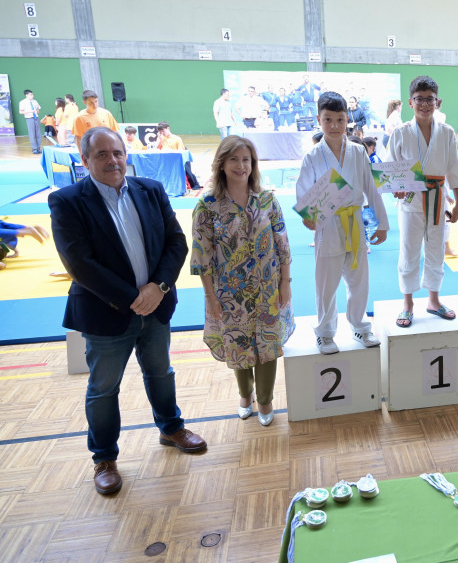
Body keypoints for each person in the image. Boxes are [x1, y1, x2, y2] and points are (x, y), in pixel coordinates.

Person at [48, 126, 206, 495]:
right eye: (101, 154)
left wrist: (158, 287)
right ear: (85, 160)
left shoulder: (150, 190)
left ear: (127, 155)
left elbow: (176, 243)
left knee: (161, 373)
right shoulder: (68, 201)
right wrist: (133, 298)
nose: (112, 160)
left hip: (156, 307)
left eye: (117, 152)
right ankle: (104, 458)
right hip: (105, 313)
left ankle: (171, 428)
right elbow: (78, 263)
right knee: (103, 389)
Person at [191, 136, 294, 426]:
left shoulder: (267, 199)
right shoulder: (208, 206)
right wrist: (210, 297)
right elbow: (202, 256)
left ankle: (265, 400)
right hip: (229, 293)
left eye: (246, 159)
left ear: (254, 164)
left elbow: (282, 243)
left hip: (267, 287)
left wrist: (285, 281)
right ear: (222, 164)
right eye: (234, 159)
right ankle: (244, 394)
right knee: (237, 344)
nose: (241, 165)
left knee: (268, 344)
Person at [296, 92, 389, 354]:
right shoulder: (313, 155)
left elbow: (371, 187)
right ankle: (325, 333)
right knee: (326, 283)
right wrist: (308, 217)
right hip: (327, 225)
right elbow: (303, 191)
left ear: (347, 119)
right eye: (328, 119)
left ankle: (360, 326)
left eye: (339, 119)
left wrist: (382, 223)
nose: (334, 125)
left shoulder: (358, 151)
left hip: (355, 222)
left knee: (359, 280)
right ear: (318, 120)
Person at [388, 76, 458, 327]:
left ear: (437, 102)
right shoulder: (400, 133)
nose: (424, 104)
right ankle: (408, 303)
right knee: (409, 252)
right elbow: (391, 172)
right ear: (411, 102)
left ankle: (434, 300)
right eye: (419, 99)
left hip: (438, 198)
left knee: (436, 251)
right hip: (410, 201)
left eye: (429, 99)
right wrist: (395, 189)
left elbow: (455, 168)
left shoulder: (447, 132)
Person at [156, 121, 201, 190]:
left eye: (163, 131)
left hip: (177, 159)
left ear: (168, 128)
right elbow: (157, 148)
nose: (162, 133)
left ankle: (195, 184)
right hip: (167, 160)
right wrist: (160, 140)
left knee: (187, 171)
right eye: (160, 132)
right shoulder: (161, 139)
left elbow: (181, 151)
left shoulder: (176, 139)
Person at [19, 90, 42, 154]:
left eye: (32, 94)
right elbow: (20, 112)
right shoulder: (22, 102)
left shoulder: (35, 101)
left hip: (36, 118)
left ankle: (38, 148)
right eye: (30, 94)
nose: (32, 96)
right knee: (32, 134)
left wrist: (37, 109)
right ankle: (34, 149)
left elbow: (38, 111)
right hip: (29, 118)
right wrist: (29, 112)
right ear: (26, 95)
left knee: (38, 134)